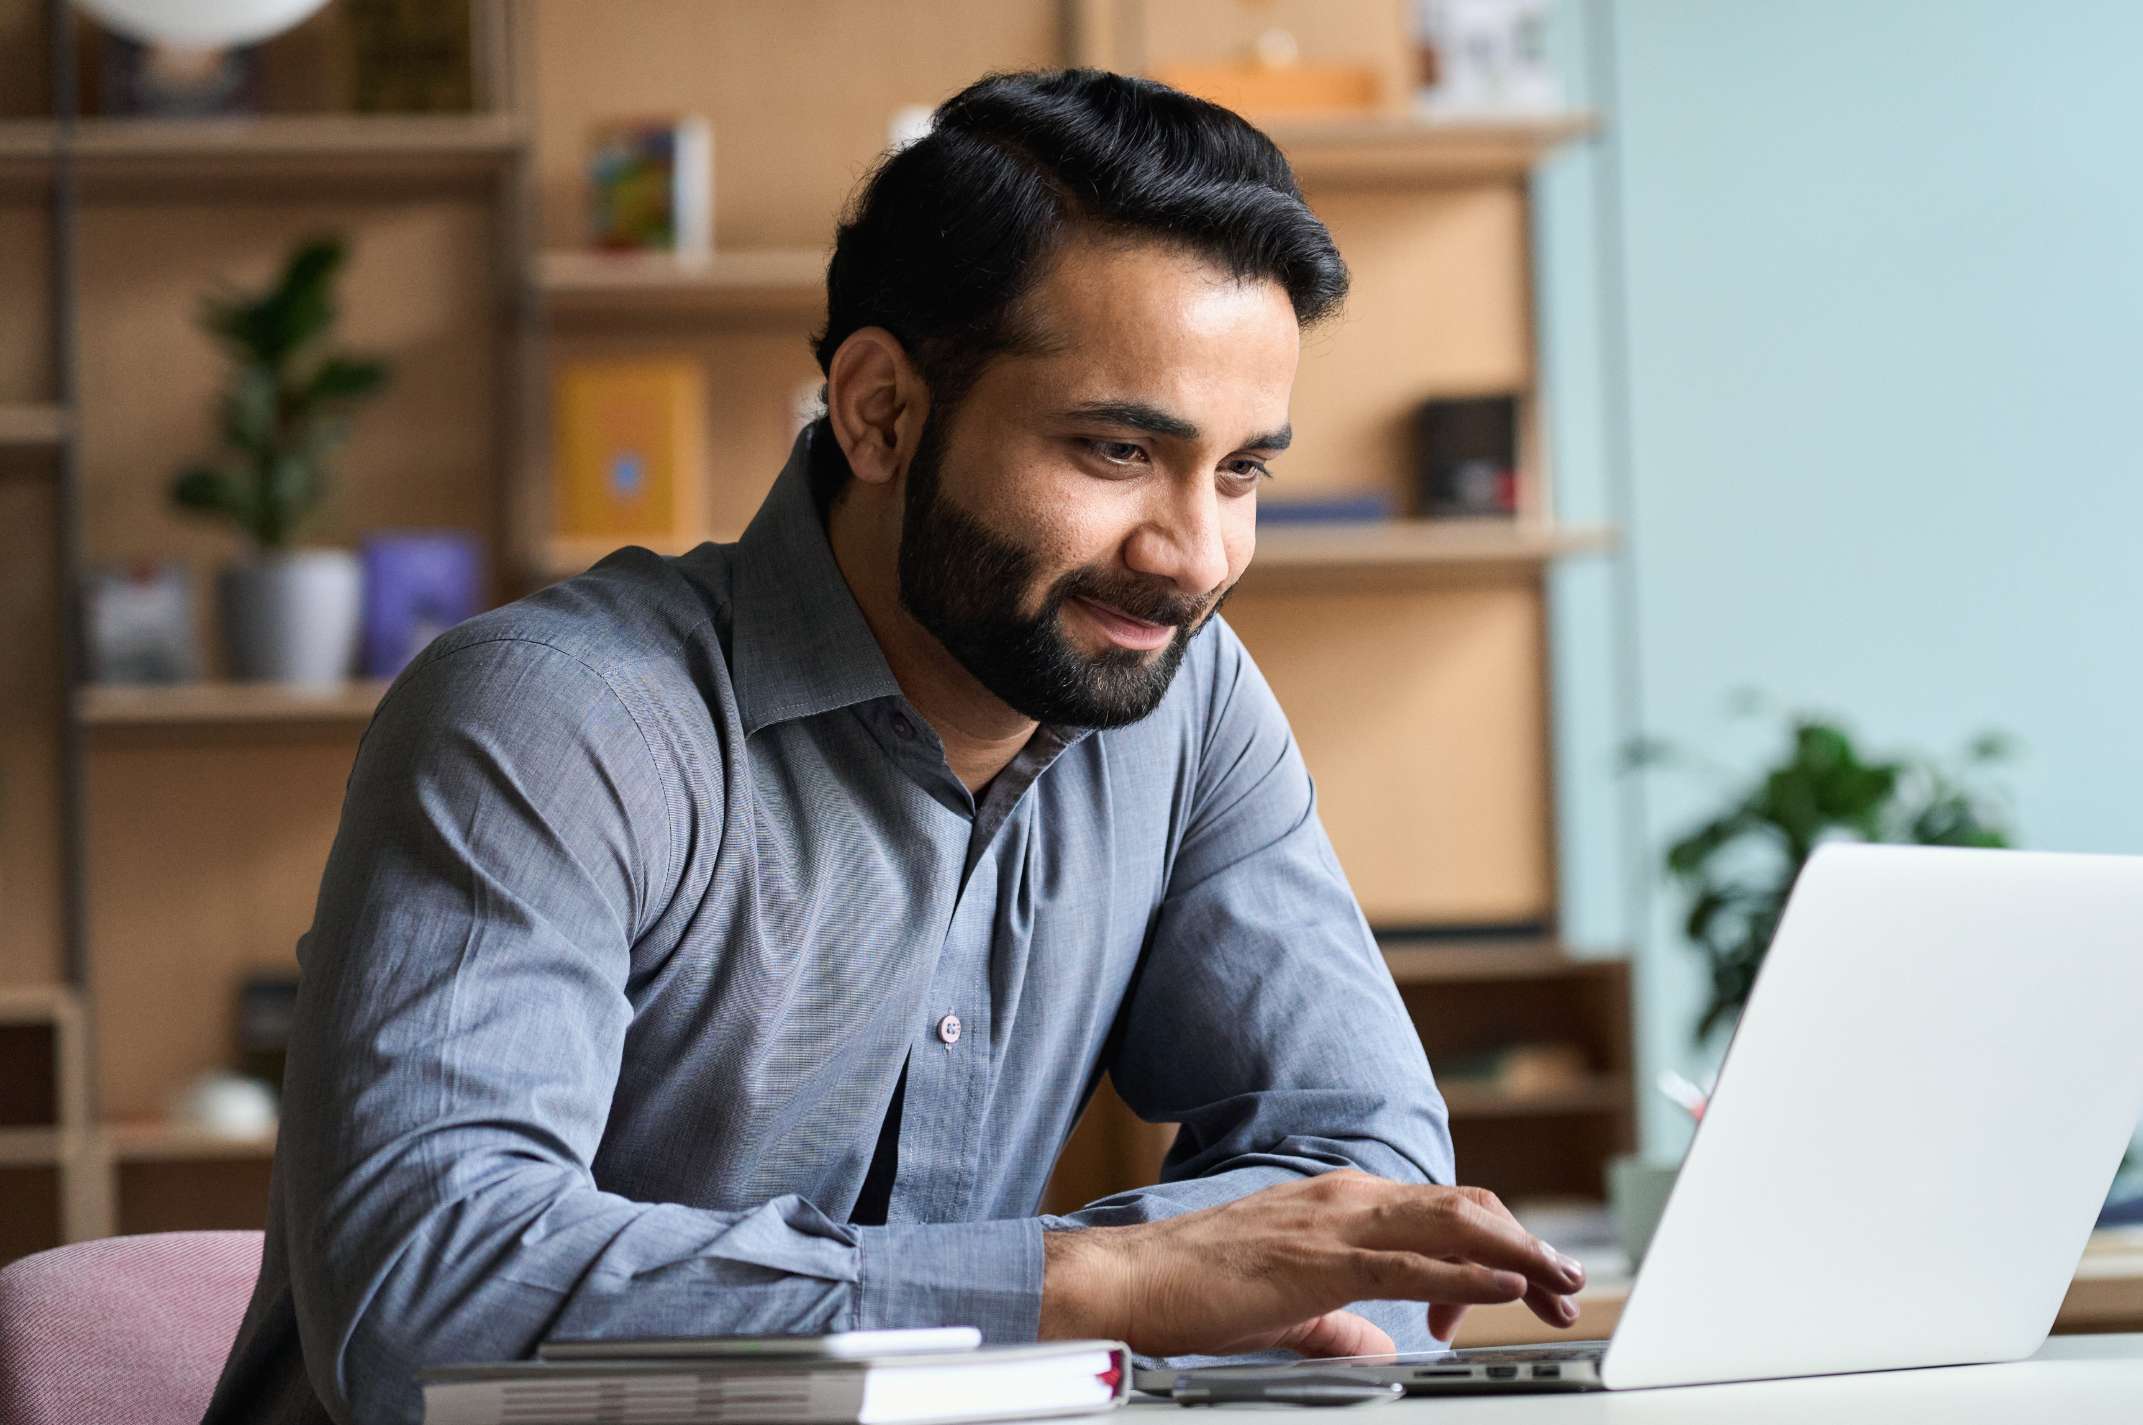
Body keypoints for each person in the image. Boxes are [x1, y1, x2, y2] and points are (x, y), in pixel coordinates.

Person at [202, 68, 1584, 1425]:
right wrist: (1093, 1280)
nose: (1194, 555)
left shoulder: (1188, 699)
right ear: (878, 411)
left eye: (1241, 471)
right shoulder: (554, 716)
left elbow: (1370, 1167)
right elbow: (427, 1303)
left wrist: (1155, 1287)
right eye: (1114, 451)